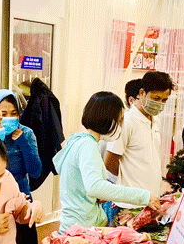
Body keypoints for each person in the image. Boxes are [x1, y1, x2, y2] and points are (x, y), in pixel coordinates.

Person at [53, 91, 161, 232]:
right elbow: (95, 187)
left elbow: (82, 185)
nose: (120, 126)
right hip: (80, 230)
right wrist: (144, 196)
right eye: (119, 120)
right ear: (107, 118)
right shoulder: (88, 145)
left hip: (77, 226)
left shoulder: (78, 141)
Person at [103, 71, 175, 222]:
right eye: (156, 98)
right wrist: (128, 178)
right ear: (142, 93)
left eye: (164, 100)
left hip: (150, 201)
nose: (160, 104)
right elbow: (109, 161)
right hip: (129, 206)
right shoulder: (126, 121)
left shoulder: (156, 121)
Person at [0, 89, 43, 244]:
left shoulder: (26, 134)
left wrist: (22, 144)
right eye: (3, 113)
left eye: (13, 113)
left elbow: (35, 171)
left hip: (22, 201)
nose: (8, 118)